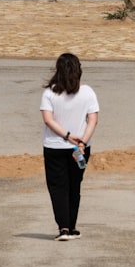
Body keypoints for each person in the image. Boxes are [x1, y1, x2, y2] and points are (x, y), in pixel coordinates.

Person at [40, 53, 99, 241]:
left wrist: (67, 136)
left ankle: (64, 228)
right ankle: (72, 226)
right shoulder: (88, 92)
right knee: (74, 186)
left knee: (58, 187)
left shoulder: (49, 93)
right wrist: (82, 141)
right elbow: (93, 120)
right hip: (80, 149)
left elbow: (48, 120)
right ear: (78, 70)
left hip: (54, 147)